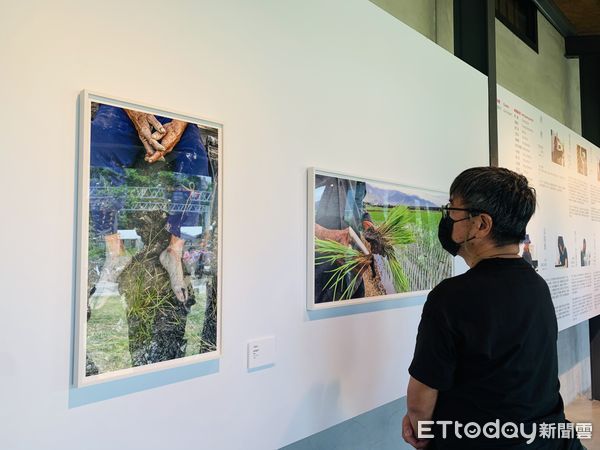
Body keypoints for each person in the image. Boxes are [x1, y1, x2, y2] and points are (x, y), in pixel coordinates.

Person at [402, 167, 583, 449]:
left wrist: (421, 430)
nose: (447, 219)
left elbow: (420, 399)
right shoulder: (537, 287)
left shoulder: (449, 298)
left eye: (453, 211)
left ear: (481, 225)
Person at [89, 104, 211, 303]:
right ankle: (115, 250)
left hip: (175, 110)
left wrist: (180, 124)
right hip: (121, 104)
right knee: (99, 146)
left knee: (194, 161)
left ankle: (174, 251)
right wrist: (135, 111)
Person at [313, 175, 373, 302]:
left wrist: (367, 224)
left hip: (353, 270)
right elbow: (291, 208)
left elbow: (358, 204)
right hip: (319, 269)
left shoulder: (357, 172)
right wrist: (324, 234)